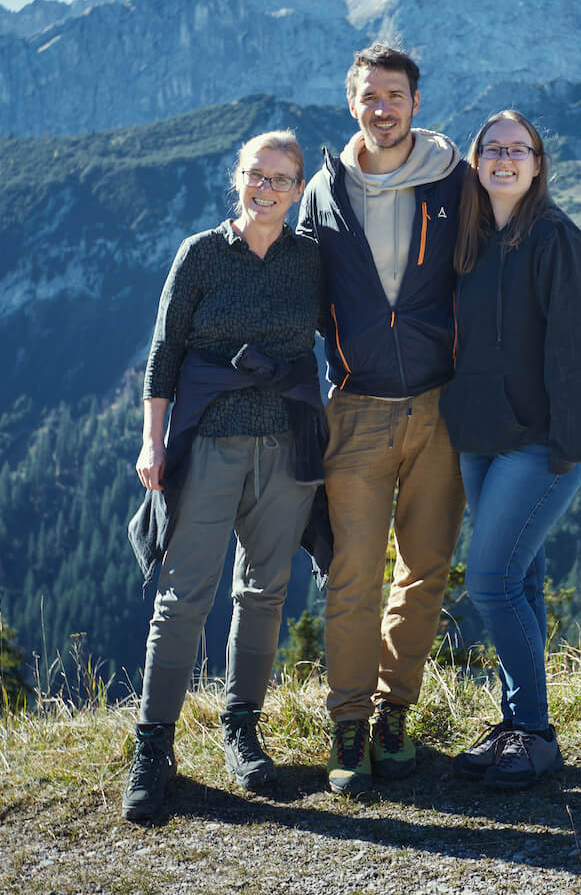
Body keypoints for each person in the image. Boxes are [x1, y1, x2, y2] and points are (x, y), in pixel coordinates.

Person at [122, 130, 325, 822]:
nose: (264, 188)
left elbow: (352, 330)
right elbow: (165, 352)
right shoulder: (202, 254)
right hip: (208, 442)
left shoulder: (310, 262)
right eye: (254, 175)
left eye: (280, 179)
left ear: (300, 190)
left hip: (288, 444)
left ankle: (242, 731)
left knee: (264, 591)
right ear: (235, 180)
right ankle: (153, 748)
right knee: (183, 596)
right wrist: (153, 444)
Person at [296, 43, 469, 794]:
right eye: (370, 96)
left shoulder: (454, 181)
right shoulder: (322, 194)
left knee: (424, 570)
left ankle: (396, 714)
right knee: (352, 574)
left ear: (416, 103)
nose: (383, 107)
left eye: (394, 95)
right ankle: (348, 726)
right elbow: (296, 299)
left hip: (442, 407)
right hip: (358, 407)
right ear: (352, 104)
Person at [441, 109, 581, 791]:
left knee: (489, 581)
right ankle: (519, 722)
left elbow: (578, 353)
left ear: (538, 165)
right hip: (478, 439)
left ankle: (533, 732)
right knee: (523, 579)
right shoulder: (469, 241)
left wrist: (569, 446)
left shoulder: (557, 240)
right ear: (476, 162)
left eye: (519, 149)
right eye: (493, 148)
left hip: (540, 445)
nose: (504, 158)